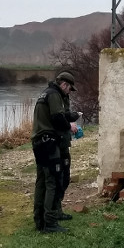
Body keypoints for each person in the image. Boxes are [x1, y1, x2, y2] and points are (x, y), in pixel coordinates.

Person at [31, 71, 79, 233]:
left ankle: (40, 220)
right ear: (64, 84)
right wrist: (69, 126)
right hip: (48, 142)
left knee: (42, 181)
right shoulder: (54, 95)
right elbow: (57, 117)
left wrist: (70, 116)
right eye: (69, 89)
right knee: (52, 181)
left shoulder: (46, 94)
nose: (68, 92)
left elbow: (59, 114)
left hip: (40, 142)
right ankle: (49, 223)